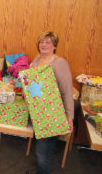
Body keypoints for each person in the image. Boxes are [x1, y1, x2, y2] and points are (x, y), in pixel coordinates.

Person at [27, 31, 74, 174]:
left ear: (54, 45)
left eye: (48, 42)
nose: (44, 45)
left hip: (52, 114)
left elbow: (67, 91)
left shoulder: (59, 63)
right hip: (37, 112)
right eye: (41, 42)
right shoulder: (36, 60)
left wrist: (69, 117)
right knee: (41, 150)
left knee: (43, 154)